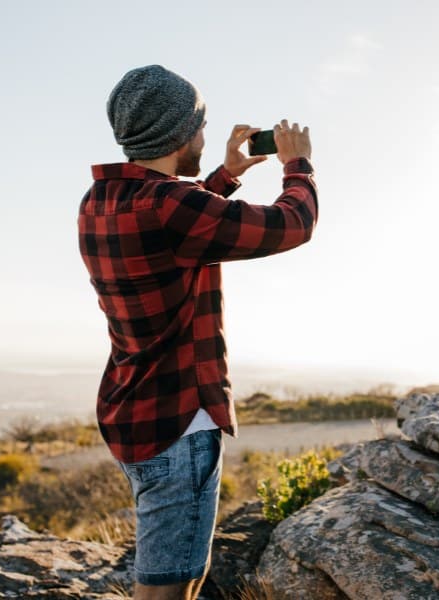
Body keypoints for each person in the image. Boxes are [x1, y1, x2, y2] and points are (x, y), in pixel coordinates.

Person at [78, 65, 317, 600]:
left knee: (180, 579)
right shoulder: (170, 207)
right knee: (165, 591)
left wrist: (227, 175)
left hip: (133, 411)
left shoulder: (101, 200)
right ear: (179, 132)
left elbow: (177, 223)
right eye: (200, 126)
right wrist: (297, 164)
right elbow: (293, 224)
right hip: (179, 425)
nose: (205, 138)